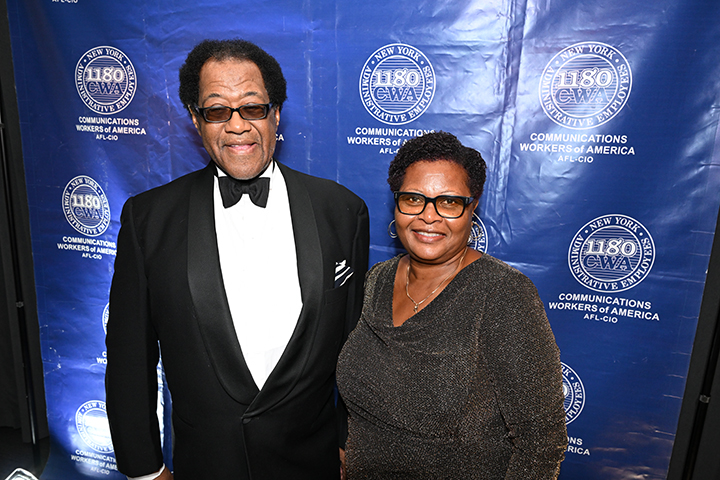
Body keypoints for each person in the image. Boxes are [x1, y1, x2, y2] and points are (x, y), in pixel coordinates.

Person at [105, 39, 369, 480]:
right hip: (206, 467)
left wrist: (350, 443)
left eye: (252, 108)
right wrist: (145, 470)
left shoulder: (341, 211)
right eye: (217, 111)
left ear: (276, 113)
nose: (237, 126)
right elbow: (129, 357)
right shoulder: (149, 219)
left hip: (314, 465)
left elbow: (356, 350)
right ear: (195, 120)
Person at [336, 131, 567, 479]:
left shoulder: (503, 294)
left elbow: (541, 442)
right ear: (397, 204)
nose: (428, 216)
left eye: (448, 202)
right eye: (413, 199)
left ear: (472, 208)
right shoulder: (378, 279)